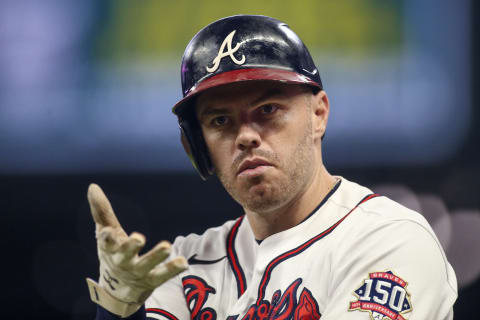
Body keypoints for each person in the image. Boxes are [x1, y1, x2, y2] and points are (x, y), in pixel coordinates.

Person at [86, 15, 457, 320]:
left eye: (268, 111)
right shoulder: (188, 263)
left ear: (319, 114)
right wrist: (120, 309)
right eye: (219, 121)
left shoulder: (387, 239)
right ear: (198, 147)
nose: (246, 136)